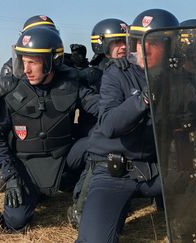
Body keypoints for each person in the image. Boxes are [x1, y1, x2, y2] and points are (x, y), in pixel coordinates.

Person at [75, 9, 179, 242]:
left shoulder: (177, 77)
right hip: (115, 172)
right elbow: (110, 125)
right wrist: (143, 98)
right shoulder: (117, 74)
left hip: (158, 169)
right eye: (140, 43)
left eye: (154, 43)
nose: (145, 49)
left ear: (169, 46)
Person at [0, 26, 98, 232]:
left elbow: (99, 107)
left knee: (97, 144)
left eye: (33, 62)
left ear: (52, 61)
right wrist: (10, 175)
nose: (26, 69)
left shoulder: (72, 85)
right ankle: (31, 193)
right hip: (25, 166)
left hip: (63, 159)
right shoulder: (9, 91)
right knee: (16, 222)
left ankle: (82, 203)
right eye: (23, 61)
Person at [67, 18, 129, 229]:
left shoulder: (131, 68)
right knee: (102, 151)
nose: (123, 47)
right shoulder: (90, 74)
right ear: (101, 43)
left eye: (125, 41)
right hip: (92, 137)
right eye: (117, 42)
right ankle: (80, 207)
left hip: (120, 131)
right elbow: (96, 106)